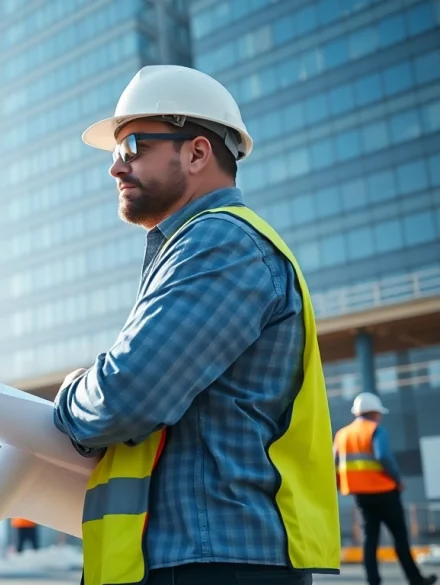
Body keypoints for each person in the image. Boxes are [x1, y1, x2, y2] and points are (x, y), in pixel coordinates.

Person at [51, 64, 341, 585]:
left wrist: (70, 395)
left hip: (217, 560)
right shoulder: (199, 248)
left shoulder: (220, 245)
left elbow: (126, 397)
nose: (116, 169)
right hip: (205, 555)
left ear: (197, 152)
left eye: (132, 147)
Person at [335, 392, 437, 585]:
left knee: (369, 539)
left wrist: (341, 485)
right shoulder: (375, 430)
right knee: (399, 537)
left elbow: (334, 463)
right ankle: (415, 579)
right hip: (384, 492)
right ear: (374, 412)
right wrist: (398, 479)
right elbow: (383, 456)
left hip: (360, 495)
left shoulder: (342, 434)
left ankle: (373, 581)